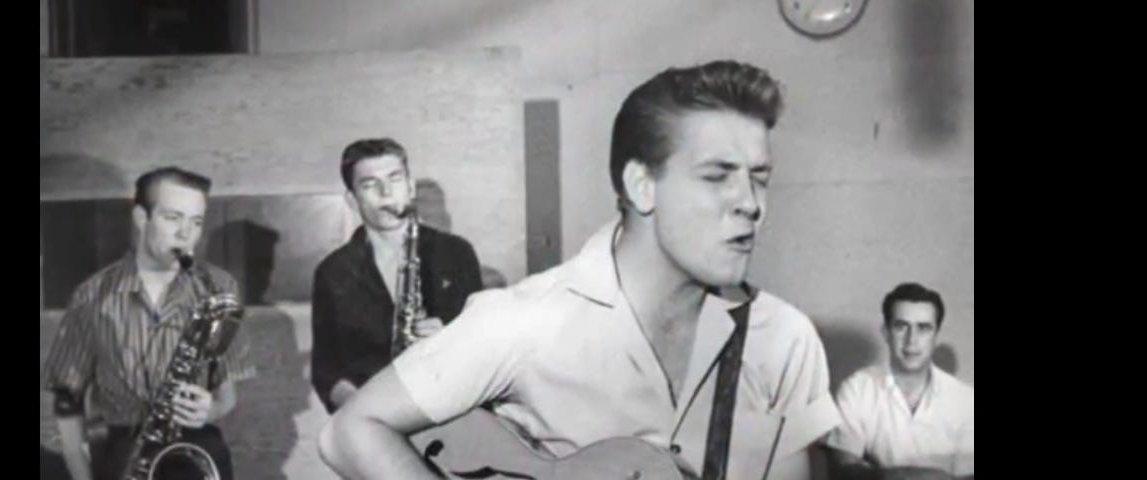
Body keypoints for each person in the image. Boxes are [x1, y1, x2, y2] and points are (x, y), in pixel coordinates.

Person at [317, 59, 840, 480]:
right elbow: (350, 430)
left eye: (760, 177)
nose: (750, 203)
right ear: (641, 186)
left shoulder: (784, 341)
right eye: (718, 176)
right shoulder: (524, 321)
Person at [42, 166, 256, 480]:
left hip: (194, 447)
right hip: (120, 449)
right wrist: (81, 474)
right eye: (173, 218)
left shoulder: (219, 288)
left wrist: (208, 410)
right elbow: (66, 400)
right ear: (142, 218)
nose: (186, 234)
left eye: (196, 221)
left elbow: (228, 397)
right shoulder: (92, 296)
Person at [310, 138, 485, 414]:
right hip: (374, 415)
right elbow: (325, 370)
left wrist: (451, 338)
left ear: (410, 187)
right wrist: (364, 412)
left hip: (451, 410)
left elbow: (486, 343)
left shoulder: (456, 253)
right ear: (352, 199)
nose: (385, 192)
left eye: (395, 179)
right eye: (369, 184)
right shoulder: (332, 272)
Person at [825, 283, 974, 480]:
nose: (911, 340)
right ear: (886, 332)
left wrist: (880, 475)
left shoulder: (964, 399)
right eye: (901, 326)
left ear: (936, 336)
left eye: (923, 328)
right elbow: (842, 472)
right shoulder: (857, 389)